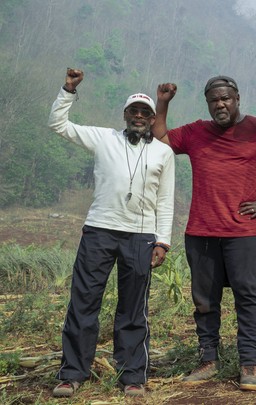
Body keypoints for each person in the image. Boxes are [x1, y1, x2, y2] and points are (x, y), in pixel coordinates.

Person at [152, 76, 256, 391]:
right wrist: (163, 103)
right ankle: (208, 360)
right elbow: (161, 139)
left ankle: (251, 363)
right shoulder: (197, 131)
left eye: (226, 98)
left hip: (244, 233)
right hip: (201, 232)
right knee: (204, 301)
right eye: (214, 100)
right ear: (208, 103)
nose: (220, 105)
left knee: (248, 297)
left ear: (237, 98)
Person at [48, 68, 175, 398]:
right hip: (99, 231)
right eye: (133, 110)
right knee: (83, 303)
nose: (138, 116)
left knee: (133, 309)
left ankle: (132, 375)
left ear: (150, 119)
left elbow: (165, 200)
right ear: (125, 115)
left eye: (145, 112)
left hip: (141, 236)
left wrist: (163, 240)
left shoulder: (163, 152)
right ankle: (72, 373)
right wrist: (68, 90)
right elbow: (58, 125)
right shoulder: (105, 138)